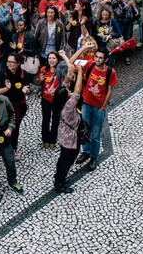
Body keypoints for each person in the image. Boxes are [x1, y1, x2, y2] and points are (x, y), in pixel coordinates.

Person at [76, 49, 118, 170]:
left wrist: (103, 107)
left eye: (100, 58)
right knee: (86, 130)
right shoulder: (90, 64)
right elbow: (74, 61)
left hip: (99, 107)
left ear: (105, 59)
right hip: (86, 104)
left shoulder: (110, 72)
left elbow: (110, 90)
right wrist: (83, 49)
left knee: (96, 134)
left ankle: (94, 156)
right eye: (96, 57)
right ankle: (86, 152)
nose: (97, 59)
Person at [54, 62, 83, 194]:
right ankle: (60, 182)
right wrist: (80, 73)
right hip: (71, 137)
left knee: (62, 157)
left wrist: (71, 72)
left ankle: (57, 178)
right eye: (67, 92)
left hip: (62, 135)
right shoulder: (68, 106)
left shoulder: (59, 100)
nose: (69, 91)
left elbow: (65, 83)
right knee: (68, 160)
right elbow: (77, 92)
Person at [0, 52, 30, 158]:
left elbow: (27, 88)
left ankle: (14, 148)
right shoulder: (2, 74)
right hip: (5, 106)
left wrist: (26, 91)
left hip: (19, 106)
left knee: (15, 128)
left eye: (12, 62)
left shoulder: (24, 74)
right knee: (3, 126)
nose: (9, 64)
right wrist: (7, 88)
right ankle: (3, 146)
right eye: (8, 62)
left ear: (18, 63)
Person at [34, 52, 67, 149]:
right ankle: (45, 139)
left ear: (57, 60)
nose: (51, 60)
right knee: (45, 119)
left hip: (57, 99)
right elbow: (37, 82)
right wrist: (40, 79)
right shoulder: (44, 70)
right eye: (49, 58)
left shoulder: (60, 70)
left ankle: (52, 139)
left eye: (53, 58)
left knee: (56, 120)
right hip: (46, 98)